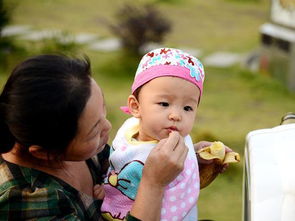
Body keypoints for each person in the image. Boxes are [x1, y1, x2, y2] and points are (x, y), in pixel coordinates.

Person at [0, 54, 192, 220]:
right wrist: (153, 184)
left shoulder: (78, 149)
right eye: (94, 131)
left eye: (103, 111)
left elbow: (125, 172)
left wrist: (187, 161)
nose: (108, 127)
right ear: (43, 152)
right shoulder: (25, 202)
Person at [98, 48, 231, 221]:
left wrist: (194, 154)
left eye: (187, 108)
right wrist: (106, 192)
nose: (176, 115)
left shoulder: (172, 140)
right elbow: (120, 172)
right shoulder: (134, 138)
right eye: (164, 103)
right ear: (136, 107)